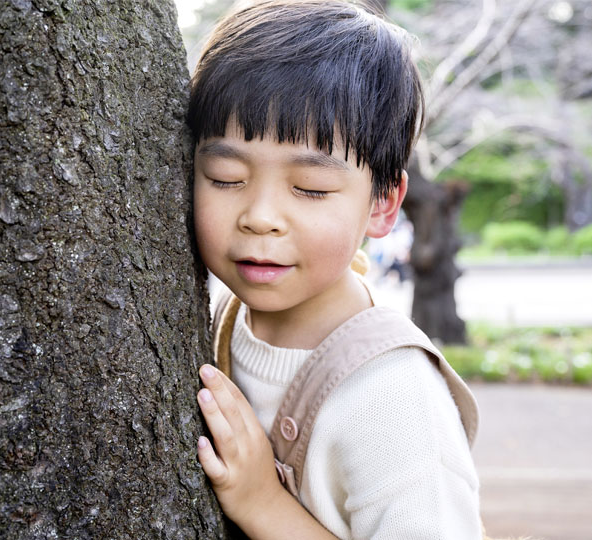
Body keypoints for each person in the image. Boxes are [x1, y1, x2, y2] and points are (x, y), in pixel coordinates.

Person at [187, 1, 481, 538]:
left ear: (382, 205)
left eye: (311, 189)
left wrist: (265, 505)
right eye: (225, 176)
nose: (260, 217)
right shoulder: (210, 318)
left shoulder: (395, 400)